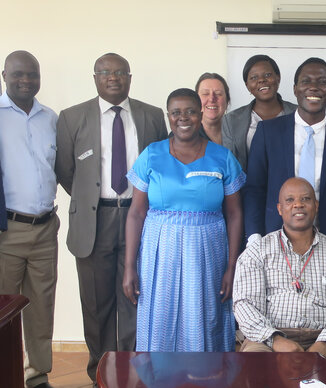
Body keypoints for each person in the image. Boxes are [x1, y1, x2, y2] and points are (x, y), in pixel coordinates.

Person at [55, 53, 168, 383]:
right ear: (95, 77)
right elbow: (66, 171)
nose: (113, 77)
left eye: (120, 72)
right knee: (96, 302)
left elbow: (159, 165)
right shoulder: (72, 117)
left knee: (136, 298)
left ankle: (131, 371)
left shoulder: (151, 115)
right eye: (105, 72)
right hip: (95, 222)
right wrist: (94, 201)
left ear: (130, 77)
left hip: (140, 219)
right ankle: (100, 373)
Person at [122, 88, 245, 351]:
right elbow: (136, 213)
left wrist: (232, 267)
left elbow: (234, 214)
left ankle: (206, 378)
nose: (183, 118)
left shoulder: (222, 157)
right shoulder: (151, 155)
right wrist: (130, 266)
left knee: (205, 315)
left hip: (208, 254)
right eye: (176, 113)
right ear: (168, 117)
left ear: (201, 115)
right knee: (161, 318)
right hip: (160, 253)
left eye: (190, 111)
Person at [233, 177, 326, 365]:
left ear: (316, 206)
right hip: (268, 339)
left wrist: (324, 341)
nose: (298, 204)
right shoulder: (257, 252)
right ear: (280, 209)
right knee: (252, 372)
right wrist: (276, 340)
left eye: (305, 199)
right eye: (290, 200)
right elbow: (244, 305)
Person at [243, 57, 326, 253]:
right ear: (295, 89)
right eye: (306, 81)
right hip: (274, 244)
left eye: (322, 82)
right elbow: (254, 190)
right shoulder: (267, 132)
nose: (314, 87)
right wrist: (255, 239)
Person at [0, 50, 59, 388]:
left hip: (44, 228)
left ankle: (37, 374)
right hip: (6, 230)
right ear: (4, 75)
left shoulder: (50, 119)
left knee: (41, 306)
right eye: (18, 74)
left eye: (32, 75)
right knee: (3, 308)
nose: (26, 81)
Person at [221, 55, 297, 171]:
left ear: (278, 78)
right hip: (248, 187)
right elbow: (231, 168)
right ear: (247, 86)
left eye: (268, 75)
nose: (261, 80)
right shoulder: (230, 121)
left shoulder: (298, 113)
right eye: (253, 77)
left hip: (291, 186)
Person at [195, 72, 230, 144]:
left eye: (218, 94)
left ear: (227, 101)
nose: (211, 99)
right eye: (205, 94)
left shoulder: (240, 133)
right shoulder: (183, 138)